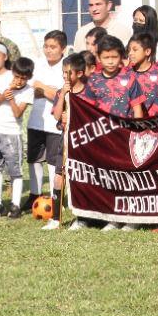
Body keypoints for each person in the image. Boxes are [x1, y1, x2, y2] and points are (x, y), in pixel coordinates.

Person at [0, 50, 33, 218]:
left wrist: (11, 99)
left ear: (29, 77)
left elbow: (18, 114)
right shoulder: (5, 82)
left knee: (15, 171)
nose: (18, 81)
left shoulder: (28, 91)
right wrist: (5, 92)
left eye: (22, 78)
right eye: (16, 76)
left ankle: (15, 204)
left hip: (12, 134)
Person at [51, 53, 89, 231]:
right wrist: (63, 96)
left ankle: (82, 217)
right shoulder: (61, 92)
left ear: (79, 73)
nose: (65, 77)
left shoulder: (89, 91)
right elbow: (57, 116)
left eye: (69, 73)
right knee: (59, 179)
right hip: (65, 141)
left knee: (80, 180)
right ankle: (55, 218)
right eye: (63, 73)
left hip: (83, 143)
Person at [28, 30, 67, 200]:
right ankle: (34, 194)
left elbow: (62, 96)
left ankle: (54, 196)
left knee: (53, 161)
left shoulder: (66, 67)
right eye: (46, 46)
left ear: (63, 49)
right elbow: (31, 91)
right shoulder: (37, 65)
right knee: (34, 159)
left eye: (53, 47)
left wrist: (42, 87)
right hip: (36, 121)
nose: (49, 50)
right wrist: (50, 90)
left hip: (54, 123)